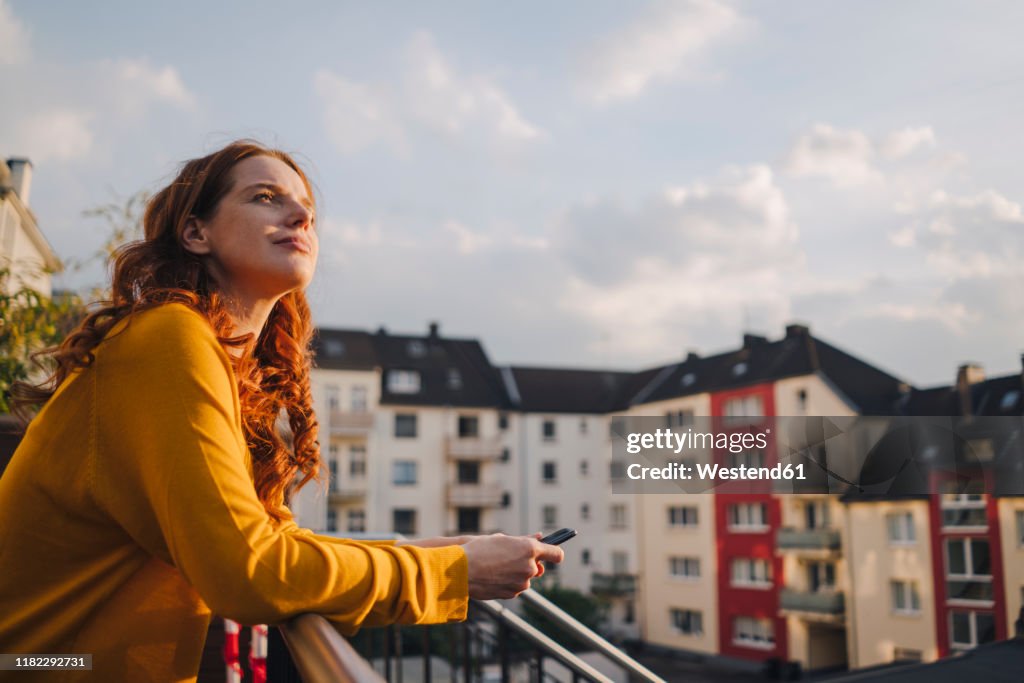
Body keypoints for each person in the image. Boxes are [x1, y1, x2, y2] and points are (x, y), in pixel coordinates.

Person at [0, 141, 563, 682]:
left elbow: (270, 544)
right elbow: (251, 573)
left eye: (309, 209)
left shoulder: (213, 362)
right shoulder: (168, 338)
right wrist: (456, 574)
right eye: (266, 197)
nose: (300, 214)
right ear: (196, 232)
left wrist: (451, 550)